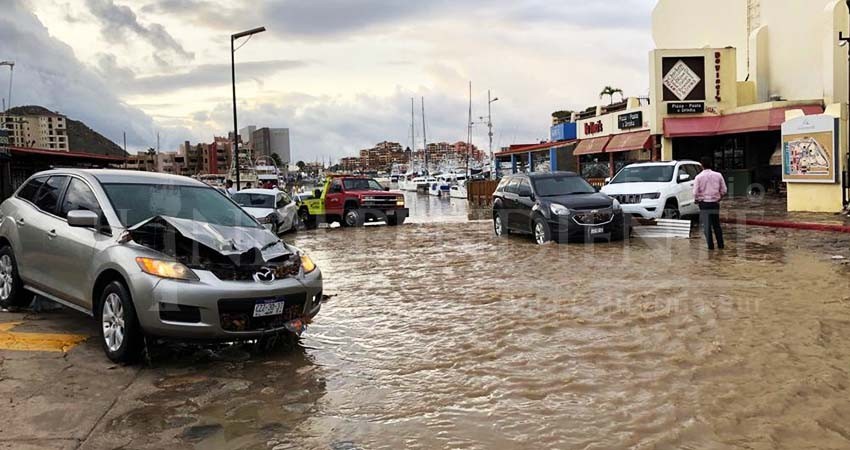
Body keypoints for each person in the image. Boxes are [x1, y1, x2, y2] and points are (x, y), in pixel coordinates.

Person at [693, 156, 728, 250]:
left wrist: (697, 200)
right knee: (717, 225)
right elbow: (724, 190)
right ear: (711, 164)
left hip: (703, 204)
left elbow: (695, 193)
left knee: (707, 227)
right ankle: (721, 246)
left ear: (702, 165)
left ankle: (710, 247)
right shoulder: (718, 175)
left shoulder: (698, 177)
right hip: (715, 203)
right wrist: (719, 197)